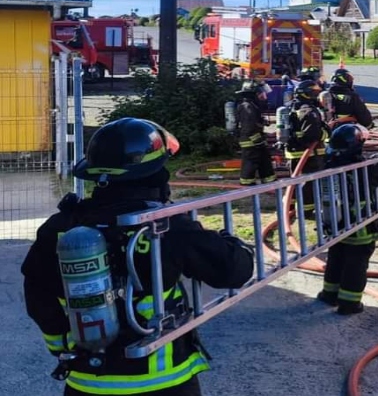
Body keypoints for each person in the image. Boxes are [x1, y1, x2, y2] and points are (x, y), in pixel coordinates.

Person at [21, 118, 255, 396]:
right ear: (154, 174)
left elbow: (38, 299)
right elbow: (234, 271)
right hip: (164, 382)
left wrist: (63, 346)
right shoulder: (166, 227)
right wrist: (231, 242)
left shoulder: (59, 228)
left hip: (87, 382)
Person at [316, 124, 378, 315]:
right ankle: (349, 303)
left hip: (336, 226)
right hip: (360, 226)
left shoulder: (330, 164)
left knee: (336, 258)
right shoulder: (362, 168)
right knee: (356, 265)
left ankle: (329, 294)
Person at [284, 80, 329, 220]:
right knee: (307, 185)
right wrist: (327, 132)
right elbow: (312, 135)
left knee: (295, 182)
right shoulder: (308, 111)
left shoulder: (293, 106)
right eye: (314, 92)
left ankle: (290, 207)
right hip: (308, 155)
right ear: (307, 94)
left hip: (294, 153)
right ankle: (306, 212)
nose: (316, 95)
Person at [235, 80, 277, 186]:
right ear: (253, 94)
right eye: (260, 93)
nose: (263, 96)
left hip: (256, 140)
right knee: (250, 163)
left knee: (265, 162)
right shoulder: (247, 106)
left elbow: (254, 122)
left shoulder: (252, 105)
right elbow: (248, 126)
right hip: (250, 141)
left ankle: (269, 182)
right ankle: (247, 185)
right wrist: (258, 140)